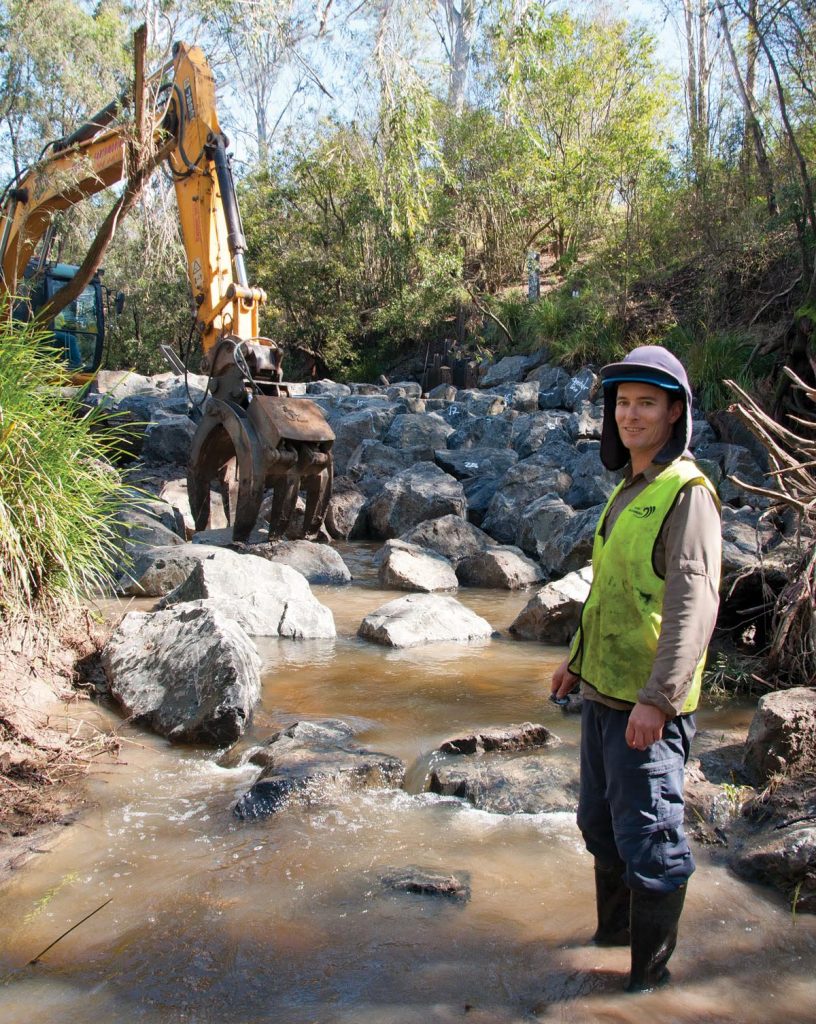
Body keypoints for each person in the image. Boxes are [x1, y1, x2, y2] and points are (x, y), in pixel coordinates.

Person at [551, 345, 722, 993]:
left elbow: (694, 601)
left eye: (646, 402)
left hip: (646, 707)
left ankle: (648, 985)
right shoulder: (628, 490)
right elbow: (610, 591)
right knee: (599, 826)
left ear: (675, 411)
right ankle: (611, 941)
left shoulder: (688, 494)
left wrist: (660, 698)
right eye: (622, 403)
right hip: (602, 696)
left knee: (652, 845)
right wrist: (574, 663)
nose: (631, 415)